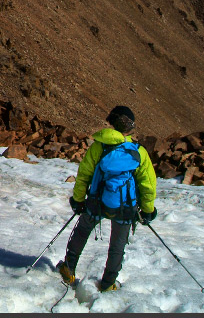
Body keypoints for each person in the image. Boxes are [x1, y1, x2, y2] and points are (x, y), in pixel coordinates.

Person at [56, 105, 157, 292]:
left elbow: (84, 174)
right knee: (117, 245)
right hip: (126, 206)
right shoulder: (138, 151)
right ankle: (108, 283)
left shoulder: (99, 146)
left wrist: (78, 200)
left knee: (82, 231)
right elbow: (148, 185)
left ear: (111, 123)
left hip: (97, 201)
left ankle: (68, 270)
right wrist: (148, 210)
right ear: (130, 128)